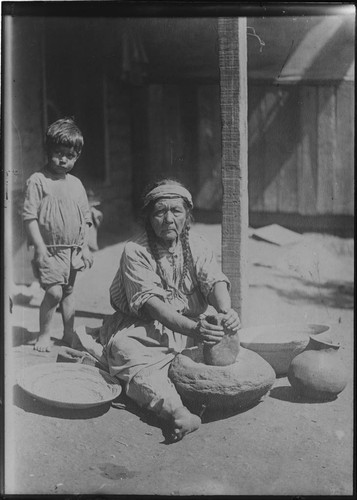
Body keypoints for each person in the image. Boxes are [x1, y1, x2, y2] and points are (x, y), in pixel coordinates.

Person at [88, 178, 240, 442]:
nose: (169, 219)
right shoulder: (135, 251)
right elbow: (155, 308)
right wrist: (196, 329)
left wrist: (226, 311)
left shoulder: (197, 243)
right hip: (147, 330)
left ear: (187, 216)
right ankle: (177, 412)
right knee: (124, 351)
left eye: (176, 211)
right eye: (160, 212)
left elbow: (213, 280)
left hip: (194, 326)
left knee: (226, 352)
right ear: (148, 217)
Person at [22, 118, 93, 352]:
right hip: (50, 250)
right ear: (48, 150)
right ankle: (44, 334)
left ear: (77, 156)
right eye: (58, 153)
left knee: (68, 293)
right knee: (53, 292)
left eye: (69, 155)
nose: (63, 159)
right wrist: (39, 246)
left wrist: (85, 247)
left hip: (72, 250)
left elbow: (86, 218)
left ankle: (69, 333)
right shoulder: (38, 181)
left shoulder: (76, 184)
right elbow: (29, 216)